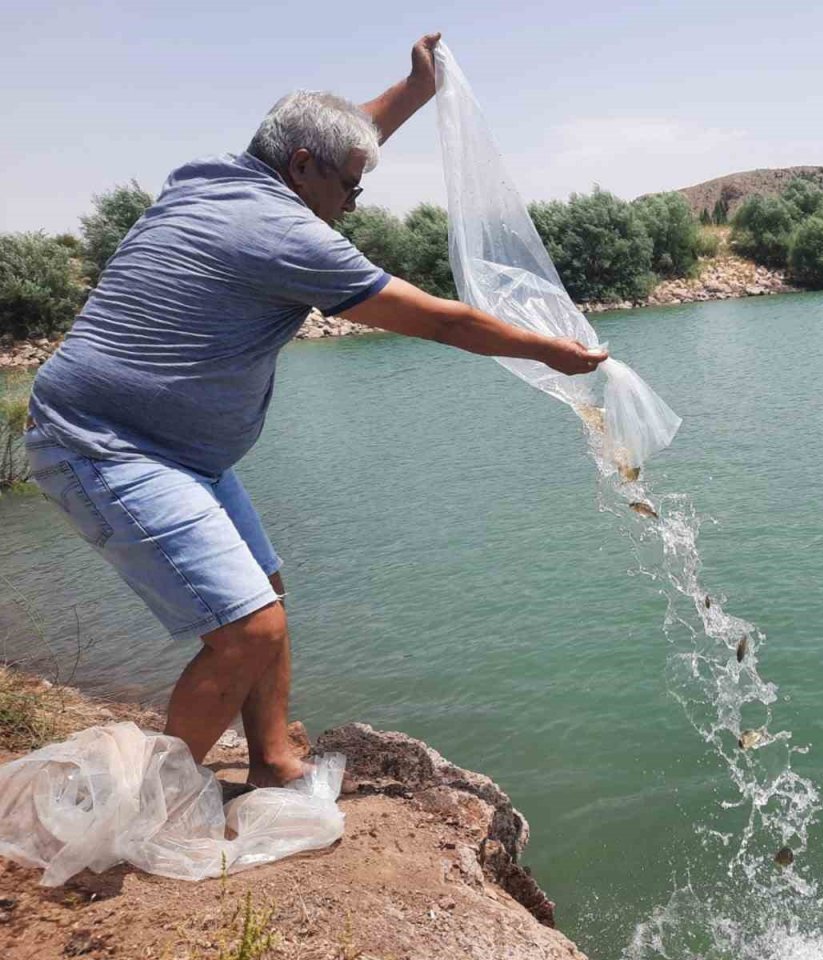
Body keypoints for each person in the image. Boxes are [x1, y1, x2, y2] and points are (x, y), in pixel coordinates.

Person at [24, 33, 606, 787]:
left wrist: (412, 88)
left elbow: (336, 140)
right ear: (301, 169)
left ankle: (271, 758)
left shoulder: (215, 178)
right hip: (103, 443)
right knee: (246, 629)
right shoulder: (288, 234)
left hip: (177, 449)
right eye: (353, 191)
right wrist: (551, 350)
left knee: (264, 592)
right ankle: (149, 810)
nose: (353, 207)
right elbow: (442, 320)